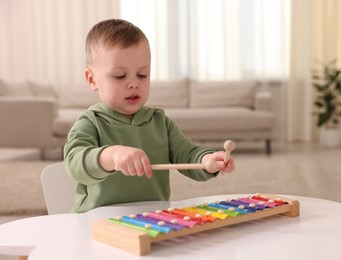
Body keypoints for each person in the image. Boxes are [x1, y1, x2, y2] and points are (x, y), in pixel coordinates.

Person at [64, 19, 235, 213]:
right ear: (92, 79)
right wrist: (111, 155)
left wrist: (207, 161)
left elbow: (187, 154)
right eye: (120, 76)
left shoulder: (159, 122)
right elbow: (74, 162)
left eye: (142, 74)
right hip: (97, 221)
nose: (134, 84)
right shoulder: (91, 122)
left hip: (151, 219)